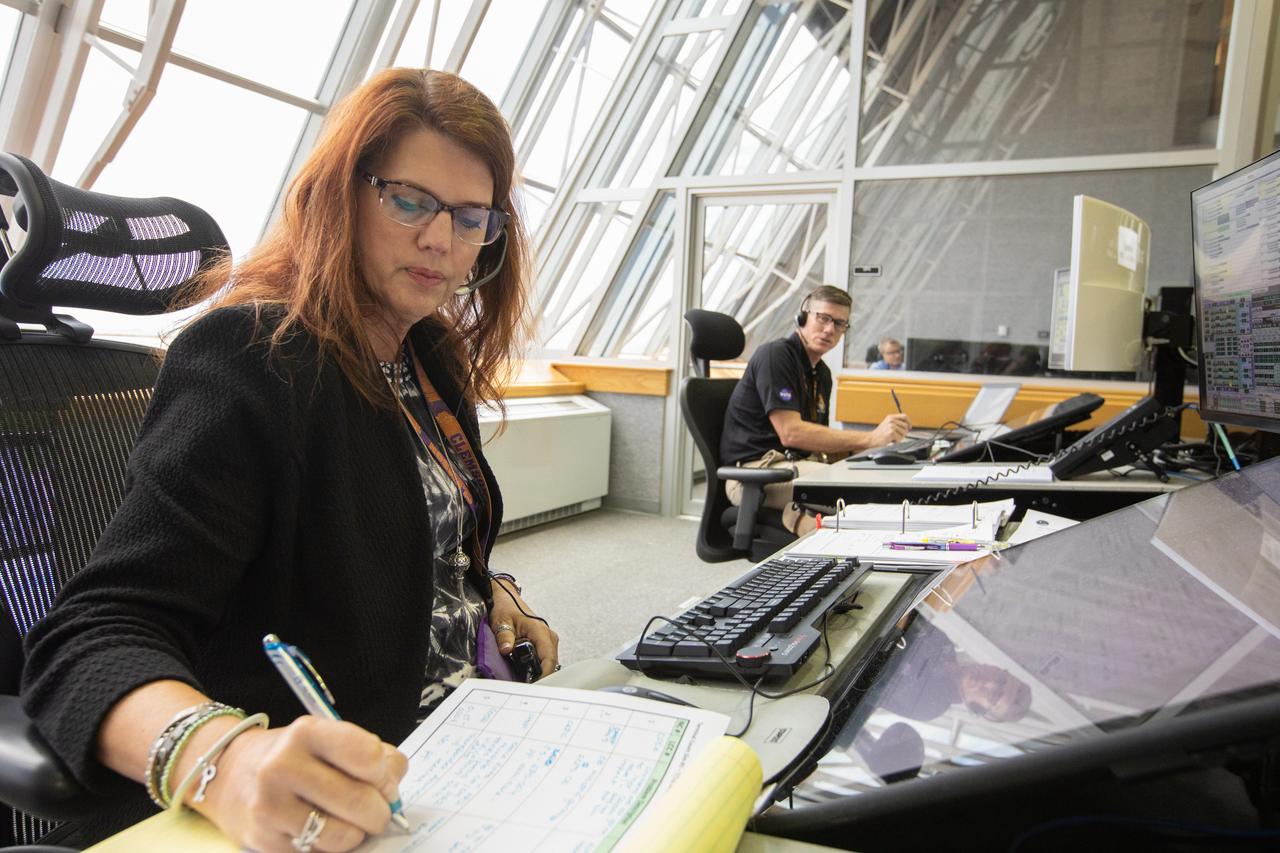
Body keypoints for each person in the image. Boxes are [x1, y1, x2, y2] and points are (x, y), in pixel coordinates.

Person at [20, 68, 559, 851]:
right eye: (409, 200)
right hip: (345, 794)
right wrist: (224, 760)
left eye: (471, 217)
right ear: (340, 193)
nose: (441, 239)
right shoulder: (252, 357)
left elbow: (419, 531)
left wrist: (488, 590)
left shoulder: (429, 357)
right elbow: (89, 638)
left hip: (467, 749)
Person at [719, 285, 911, 534]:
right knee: (854, 488)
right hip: (754, 475)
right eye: (823, 318)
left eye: (839, 323)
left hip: (795, 468)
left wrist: (875, 450)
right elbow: (791, 433)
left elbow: (816, 441)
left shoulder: (822, 374)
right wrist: (870, 437)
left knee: (874, 481)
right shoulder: (775, 355)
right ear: (802, 317)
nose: (830, 329)